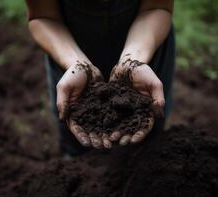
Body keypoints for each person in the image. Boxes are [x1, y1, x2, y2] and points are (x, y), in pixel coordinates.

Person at [24, 0, 175, 156]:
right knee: (78, 151)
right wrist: (78, 64)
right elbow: (43, 16)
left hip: (145, 47)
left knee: (146, 150)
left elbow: (156, 7)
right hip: (67, 51)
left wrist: (132, 60)